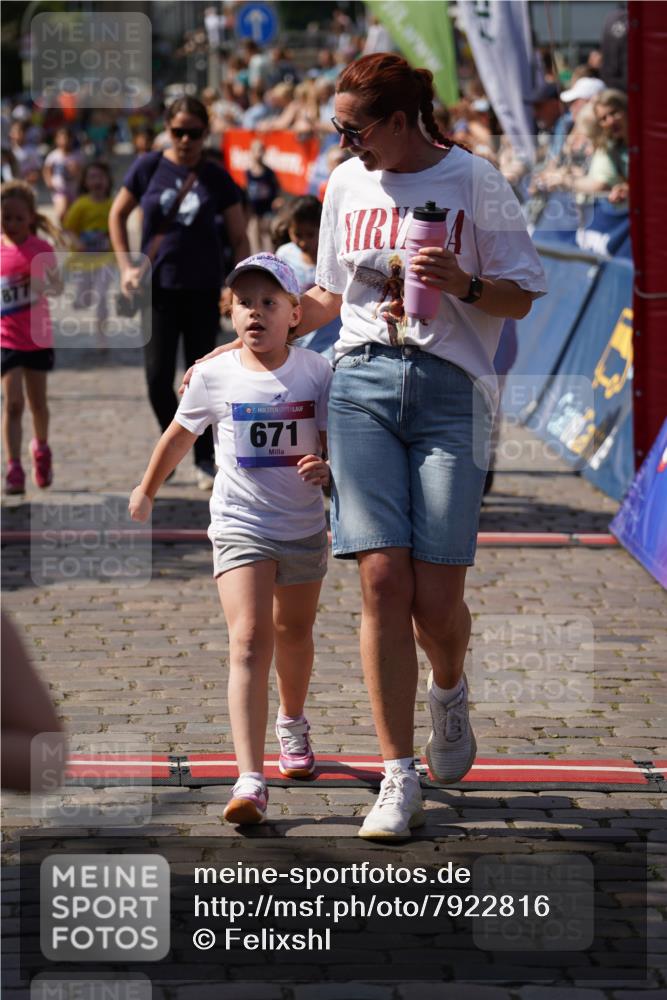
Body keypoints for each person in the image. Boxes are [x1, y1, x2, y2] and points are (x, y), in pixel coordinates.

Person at [181, 53, 546, 841]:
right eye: (337, 128)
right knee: (381, 580)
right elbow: (325, 295)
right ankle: (396, 775)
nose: (344, 143)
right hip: (360, 384)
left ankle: (448, 688)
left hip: (451, 391)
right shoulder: (347, 184)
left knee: (436, 602)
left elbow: (520, 294)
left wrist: (461, 284)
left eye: (354, 129)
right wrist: (246, 344)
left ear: (400, 120)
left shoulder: (474, 180)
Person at [129, 254, 332, 825]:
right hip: (240, 524)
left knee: (294, 634)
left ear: (295, 314)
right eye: (244, 303)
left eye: (269, 303)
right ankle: (250, 778)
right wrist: (147, 489)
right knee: (247, 641)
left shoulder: (318, 372)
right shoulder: (213, 375)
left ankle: (292, 721)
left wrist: (328, 468)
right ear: (230, 312)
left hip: (302, 527)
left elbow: (336, 440)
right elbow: (178, 436)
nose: (256, 313)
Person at [109, 96, 250, 491]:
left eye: (194, 132)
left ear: (206, 134)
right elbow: (117, 214)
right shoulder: (148, 167)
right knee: (157, 378)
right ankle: (170, 445)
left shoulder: (216, 176)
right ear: (167, 131)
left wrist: (237, 286)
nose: (186, 140)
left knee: (200, 378)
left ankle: (203, 457)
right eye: (178, 132)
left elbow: (239, 236)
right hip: (158, 289)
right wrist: (125, 266)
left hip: (204, 289)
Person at [1, 180, 62, 494]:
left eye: (18, 218)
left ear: (30, 218)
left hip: (37, 337)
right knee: (13, 404)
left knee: (38, 403)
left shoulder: (42, 249)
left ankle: (41, 448)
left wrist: (42, 283)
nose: (11, 224)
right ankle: (13, 468)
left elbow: (57, 287)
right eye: (5, 218)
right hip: (6, 338)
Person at [274, 195, 341, 357]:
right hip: (297, 344)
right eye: (298, 235)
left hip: (332, 344)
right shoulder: (284, 256)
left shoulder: (334, 257)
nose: (304, 242)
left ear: (323, 229)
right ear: (289, 231)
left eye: (310, 235)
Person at [63, 161, 115, 346]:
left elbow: (118, 229)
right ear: (85, 182)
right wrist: (77, 242)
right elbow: (69, 229)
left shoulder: (113, 205)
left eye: (101, 177)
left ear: (108, 180)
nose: (97, 181)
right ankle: (81, 300)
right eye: (92, 177)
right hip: (83, 260)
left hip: (106, 259)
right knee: (84, 300)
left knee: (102, 296)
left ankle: (102, 337)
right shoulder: (81, 204)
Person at [245, 139, 280, 253]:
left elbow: (276, 189)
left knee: (266, 236)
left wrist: (276, 200)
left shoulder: (269, 172)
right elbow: (246, 190)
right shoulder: (248, 172)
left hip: (267, 210)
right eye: (256, 150)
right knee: (254, 236)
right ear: (251, 152)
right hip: (253, 211)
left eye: (261, 150)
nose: (258, 153)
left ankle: (268, 257)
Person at [43, 127, 82, 223]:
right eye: (61, 138)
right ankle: (62, 227)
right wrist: (49, 181)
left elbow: (81, 172)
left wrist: (75, 170)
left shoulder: (77, 156)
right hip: (59, 189)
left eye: (67, 138)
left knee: (73, 213)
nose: (64, 141)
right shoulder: (53, 155)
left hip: (73, 190)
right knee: (61, 212)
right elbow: (47, 169)